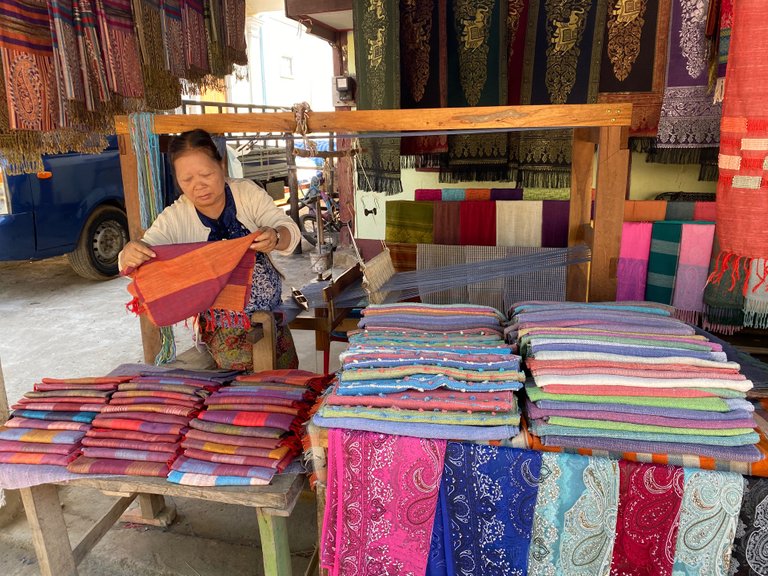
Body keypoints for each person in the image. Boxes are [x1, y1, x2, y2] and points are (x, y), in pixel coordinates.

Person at [119, 128, 302, 371]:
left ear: (222, 164)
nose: (199, 186)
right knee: (243, 393)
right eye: (187, 180)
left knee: (288, 383)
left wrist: (276, 236)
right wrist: (128, 253)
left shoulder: (246, 193)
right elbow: (141, 255)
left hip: (270, 318)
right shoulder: (176, 216)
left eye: (206, 174)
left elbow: (289, 231)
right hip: (221, 330)